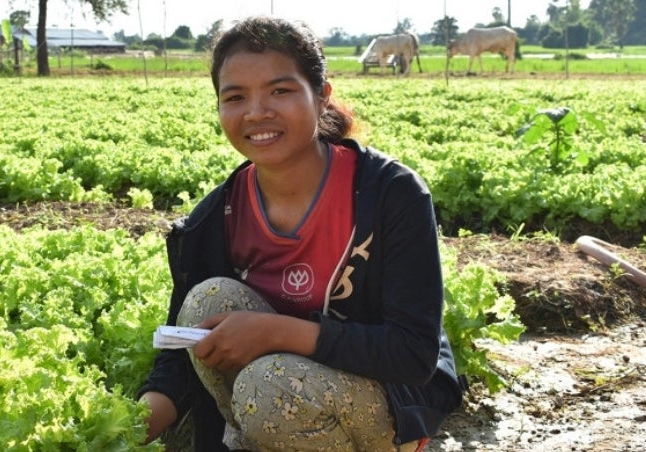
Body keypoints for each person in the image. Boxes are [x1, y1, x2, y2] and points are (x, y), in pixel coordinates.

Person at [137, 16, 464, 452]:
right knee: (205, 303)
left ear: (322, 97)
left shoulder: (389, 194)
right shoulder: (220, 214)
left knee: (270, 388)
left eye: (280, 90)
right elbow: (183, 352)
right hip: (275, 394)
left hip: (386, 396)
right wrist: (127, 430)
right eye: (235, 97)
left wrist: (278, 331)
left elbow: (413, 353)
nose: (256, 112)